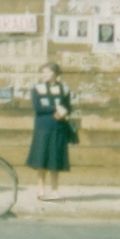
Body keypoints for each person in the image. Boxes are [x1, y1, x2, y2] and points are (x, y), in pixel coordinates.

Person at [26, 62, 73, 201]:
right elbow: (37, 108)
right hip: (42, 128)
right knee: (41, 160)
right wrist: (56, 108)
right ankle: (40, 190)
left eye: (48, 72)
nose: (44, 74)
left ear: (55, 73)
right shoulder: (37, 89)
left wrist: (64, 112)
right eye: (43, 72)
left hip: (58, 128)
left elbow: (69, 107)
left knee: (55, 160)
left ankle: (54, 190)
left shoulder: (64, 89)